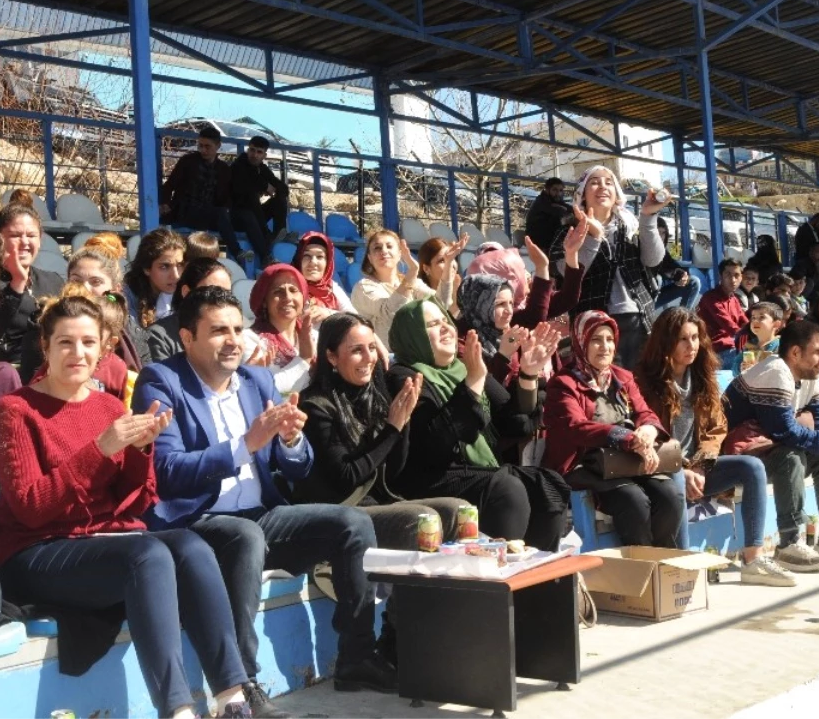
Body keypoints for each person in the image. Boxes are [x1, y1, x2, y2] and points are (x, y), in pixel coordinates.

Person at [0, 293, 254, 719]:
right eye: (66, 343)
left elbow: (136, 498)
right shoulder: (16, 411)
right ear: (46, 346)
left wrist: (140, 450)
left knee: (189, 545)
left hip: (104, 541)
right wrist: (102, 448)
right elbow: (31, 507)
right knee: (146, 553)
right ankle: (177, 708)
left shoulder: (110, 406)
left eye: (89, 343)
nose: (79, 353)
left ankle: (232, 696)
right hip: (37, 551)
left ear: (103, 347)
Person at [135, 287, 396, 699]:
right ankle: (243, 680)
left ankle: (358, 656)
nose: (233, 340)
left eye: (237, 329)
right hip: (196, 522)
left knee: (353, 522)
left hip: (262, 513)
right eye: (218, 330)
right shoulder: (162, 381)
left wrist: (292, 440)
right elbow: (166, 472)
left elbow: (297, 465)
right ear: (187, 338)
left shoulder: (257, 380)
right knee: (244, 537)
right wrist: (245, 446)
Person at [388, 297, 569, 550]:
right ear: (412, 335)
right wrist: (472, 386)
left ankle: (536, 582)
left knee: (549, 485)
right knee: (507, 488)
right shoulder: (404, 376)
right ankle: (497, 578)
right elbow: (434, 443)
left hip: (473, 472)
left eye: (445, 320)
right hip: (431, 477)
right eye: (431, 324)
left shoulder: (463, 367)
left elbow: (515, 423)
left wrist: (528, 373)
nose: (444, 327)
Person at [635, 308, 795, 586]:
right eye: (683, 339)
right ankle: (684, 568)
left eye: (695, 337)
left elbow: (718, 427)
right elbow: (649, 436)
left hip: (698, 469)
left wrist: (700, 464)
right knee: (674, 478)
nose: (691, 345)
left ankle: (753, 560)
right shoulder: (644, 383)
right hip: (661, 471)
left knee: (752, 467)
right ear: (665, 342)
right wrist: (682, 469)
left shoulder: (702, 378)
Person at [297, 312, 468, 547]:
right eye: (357, 350)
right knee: (422, 519)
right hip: (343, 509)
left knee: (460, 510)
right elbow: (346, 477)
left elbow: (394, 472)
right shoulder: (315, 406)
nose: (369, 358)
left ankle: (466, 579)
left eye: (372, 347)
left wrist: (403, 422)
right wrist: (392, 428)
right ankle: (419, 583)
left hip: (381, 502)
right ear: (332, 356)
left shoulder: (372, 395)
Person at [723, 320, 819, 572]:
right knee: (789, 457)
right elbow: (785, 431)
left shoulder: (812, 376)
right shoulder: (775, 372)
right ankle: (789, 543)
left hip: (768, 446)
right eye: (818, 351)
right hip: (738, 456)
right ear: (795, 353)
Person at [542, 310, 682, 547]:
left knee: (670, 495)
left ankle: (664, 563)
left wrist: (648, 429)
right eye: (596, 340)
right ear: (581, 342)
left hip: (625, 460)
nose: (605, 347)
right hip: (583, 464)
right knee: (633, 499)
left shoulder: (622, 377)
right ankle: (640, 566)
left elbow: (645, 413)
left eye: (609, 339)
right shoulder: (563, 384)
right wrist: (627, 438)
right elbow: (577, 427)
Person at [564, 165, 667, 370]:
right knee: (603, 385)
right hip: (596, 323)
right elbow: (569, 273)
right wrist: (593, 236)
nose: (602, 187)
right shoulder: (568, 229)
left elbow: (653, 259)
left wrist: (647, 217)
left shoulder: (629, 226)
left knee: (641, 384)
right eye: (594, 182)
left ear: (616, 193)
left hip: (639, 317)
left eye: (608, 183)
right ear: (582, 194)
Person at [455, 274, 562, 462]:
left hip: (522, 425)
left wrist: (533, 367)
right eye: (499, 304)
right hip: (489, 431)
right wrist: (502, 356)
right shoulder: (463, 342)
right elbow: (483, 394)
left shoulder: (513, 334)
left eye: (511, 304)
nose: (508, 311)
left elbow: (526, 398)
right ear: (479, 304)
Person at [0, 193, 64, 382]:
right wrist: (16, 284)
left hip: (51, 374)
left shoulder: (54, 281)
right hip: (6, 377)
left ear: (40, 239)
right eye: (15, 235)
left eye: (31, 235)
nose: (25, 242)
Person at [159, 126, 245, 262]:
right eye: (200, 146)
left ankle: (238, 253)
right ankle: (237, 251)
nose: (203, 150)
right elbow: (170, 184)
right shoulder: (188, 161)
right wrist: (165, 203)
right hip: (186, 211)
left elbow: (226, 197)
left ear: (218, 146)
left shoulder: (223, 169)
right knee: (220, 214)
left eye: (207, 146)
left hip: (208, 215)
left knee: (226, 214)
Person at [351, 228, 451, 345]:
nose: (384, 251)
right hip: (388, 357)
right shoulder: (363, 287)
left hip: (417, 351)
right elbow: (391, 313)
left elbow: (440, 305)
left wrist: (448, 266)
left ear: (399, 254)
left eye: (389, 246)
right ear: (370, 258)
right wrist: (412, 273)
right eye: (377, 248)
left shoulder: (414, 282)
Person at [65, 239, 149, 371]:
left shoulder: (133, 333)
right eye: (76, 280)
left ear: (115, 289)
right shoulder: (48, 324)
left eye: (96, 282)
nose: (85, 288)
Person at [241, 265, 314, 397]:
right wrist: (304, 358)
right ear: (264, 301)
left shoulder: (313, 335)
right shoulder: (249, 340)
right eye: (278, 292)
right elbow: (262, 391)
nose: (287, 297)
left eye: (293, 290)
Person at [145, 258, 233, 363]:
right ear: (186, 292)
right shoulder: (159, 335)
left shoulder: (234, 332)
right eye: (212, 293)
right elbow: (160, 377)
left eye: (227, 294)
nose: (221, 300)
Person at [229, 135, 289, 265]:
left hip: (256, 216)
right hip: (237, 216)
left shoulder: (262, 169)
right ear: (247, 150)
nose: (254, 155)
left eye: (259, 152)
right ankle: (265, 256)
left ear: (264, 155)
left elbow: (283, 189)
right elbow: (244, 190)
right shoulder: (238, 166)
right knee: (248, 207)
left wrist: (272, 188)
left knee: (279, 200)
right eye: (252, 150)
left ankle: (278, 234)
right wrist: (265, 185)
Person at [123, 228, 186, 329]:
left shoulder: (186, 293)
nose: (175, 276)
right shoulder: (126, 298)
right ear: (146, 268)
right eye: (164, 267)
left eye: (179, 265)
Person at [698, 258, 748, 371]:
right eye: (728, 275)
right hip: (716, 352)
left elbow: (745, 323)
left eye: (736, 275)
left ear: (741, 278)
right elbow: (732, 328)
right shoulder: (710, 298)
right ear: (720, 276)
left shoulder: (734, 299)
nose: (733, 279)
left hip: (732, 348)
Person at [293, 231, 355, 321]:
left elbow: (354, 317)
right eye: (307, 255)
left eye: (320, 257)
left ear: (328, 262)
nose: (313, 262)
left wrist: (329, 313)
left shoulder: (331, 287)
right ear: (298, 259)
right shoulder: (290, 286)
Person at [654, 217, 701, 311]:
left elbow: (670, 265)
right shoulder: (639, 248)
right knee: (656, 280)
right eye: (657, 233)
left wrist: (681, 275)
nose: (660, 237)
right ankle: (646, 317)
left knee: (693, 282)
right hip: (642, 299)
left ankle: (682, 318)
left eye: (663, 233)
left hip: (658, 296)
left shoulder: (662, 251)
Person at [734, 301, 784, 375]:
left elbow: (781, 372)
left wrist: (757, 368)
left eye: (761, 317)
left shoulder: (781, 346)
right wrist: (740, 368)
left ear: (776, 324)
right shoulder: (749, 345)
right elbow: (735, 367)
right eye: (753, 317)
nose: (755, 321)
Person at [524, 177, 570, 253]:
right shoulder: (542, 201)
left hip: (549, 242)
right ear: (547, 190)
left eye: (561, 190)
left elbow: (567, 208)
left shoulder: (556, 201)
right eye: (554, 190)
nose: (558, 193)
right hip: (538, 243)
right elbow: (558, 211)